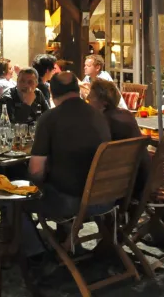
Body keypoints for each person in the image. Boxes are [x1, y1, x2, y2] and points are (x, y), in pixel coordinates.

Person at [23, 72, 112, 255]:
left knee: (16, 200)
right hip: (106, 197)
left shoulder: (49, 119)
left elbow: (36, 171)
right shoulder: (98, 115)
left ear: (52, 93)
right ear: (77, 90)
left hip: (72, 202)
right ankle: (66, 240)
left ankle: (36, 254)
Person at [88, 78, 149, 196]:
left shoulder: (102, 121)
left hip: (123, 187)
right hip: (141, 179)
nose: (88, 99)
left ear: (104, 102)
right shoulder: (127, 114)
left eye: (91, 97)